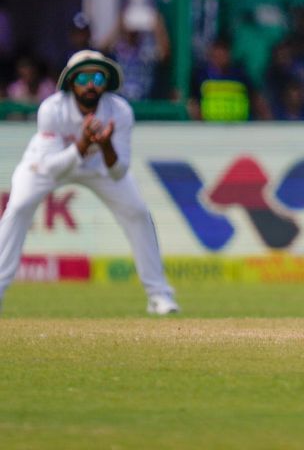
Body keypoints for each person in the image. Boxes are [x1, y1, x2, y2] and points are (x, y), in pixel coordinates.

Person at [0, 51, 178, 315]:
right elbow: (50, 167)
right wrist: (81, 145)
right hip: (47, 165)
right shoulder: (52, 109)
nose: (91, 84)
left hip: (99, 167)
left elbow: (118, 172)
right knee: (17, 208)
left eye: (97, 77)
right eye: (83, 77)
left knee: (138, 212)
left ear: (106, 83)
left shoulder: (119, 111)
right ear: (71, 82)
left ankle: (159, 295)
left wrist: (105, 146)